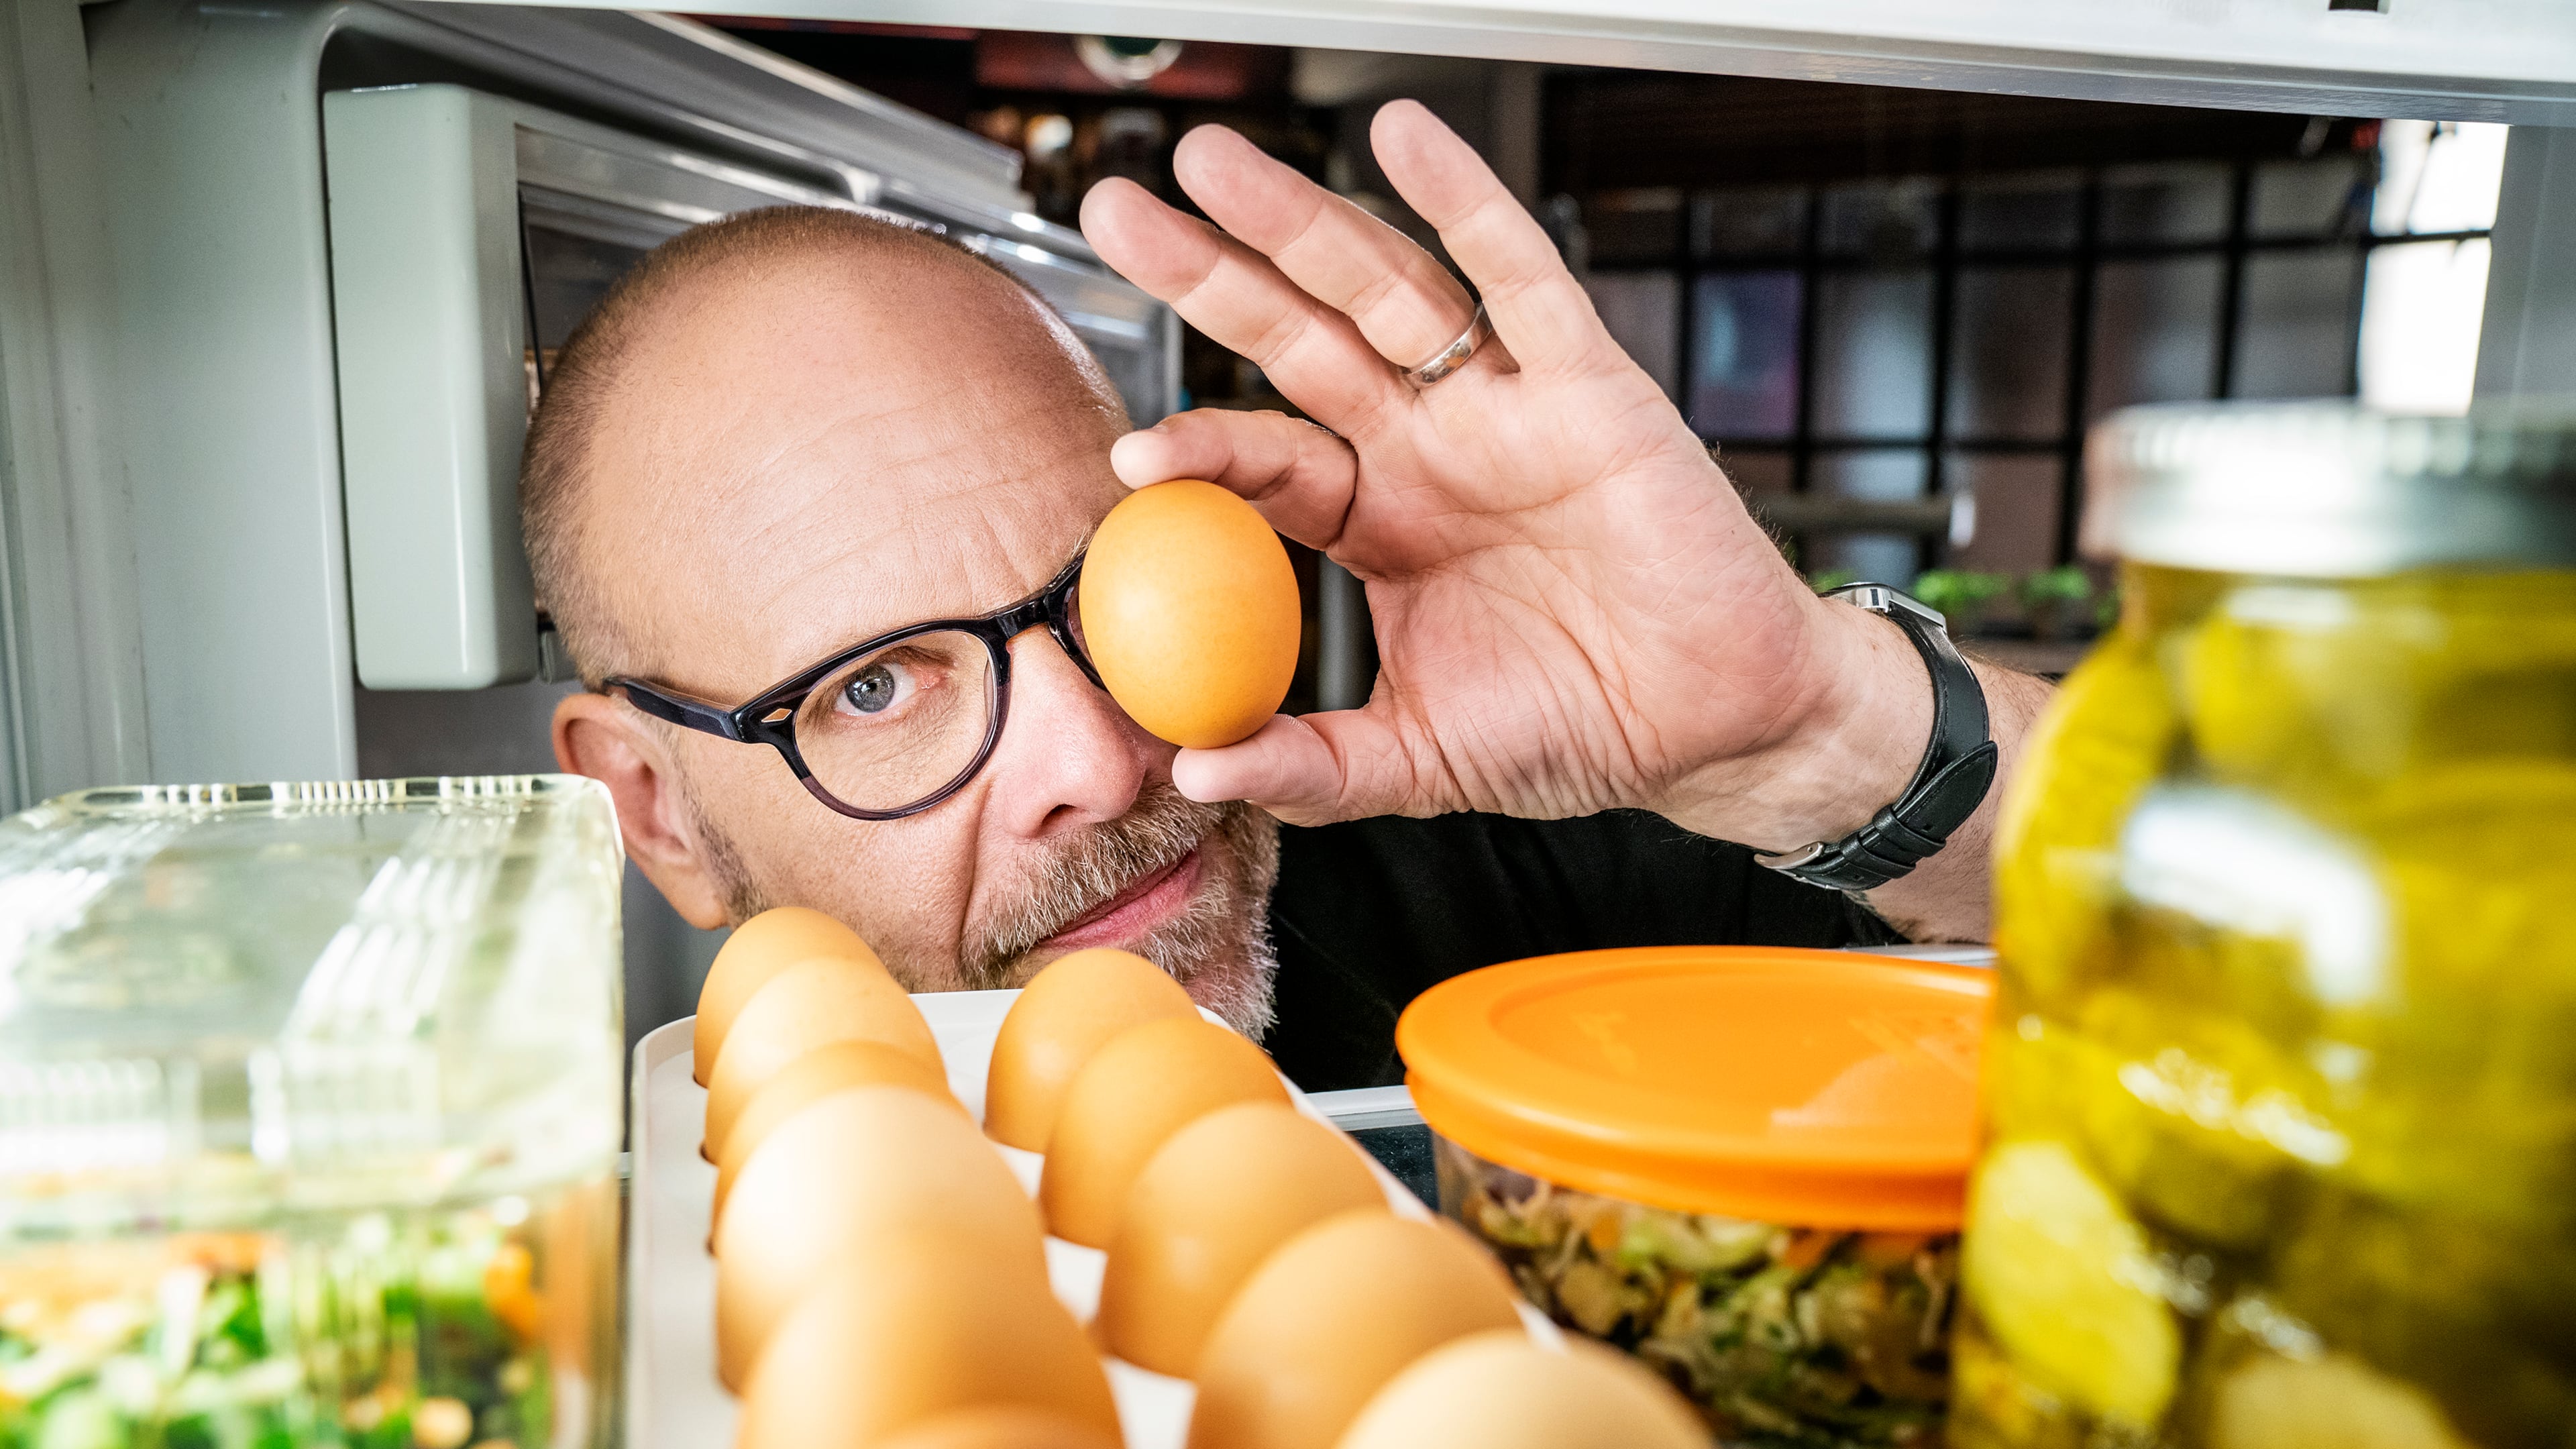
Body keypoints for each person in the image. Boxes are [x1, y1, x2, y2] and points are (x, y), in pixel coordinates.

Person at [534, 102, 2054, 1089]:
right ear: (655, 811)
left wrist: (1812, 731)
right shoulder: (612, 1315)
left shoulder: (1498, 876)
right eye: (874, 688)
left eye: (1114, 585)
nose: (1103, 761)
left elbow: (2182, 955)